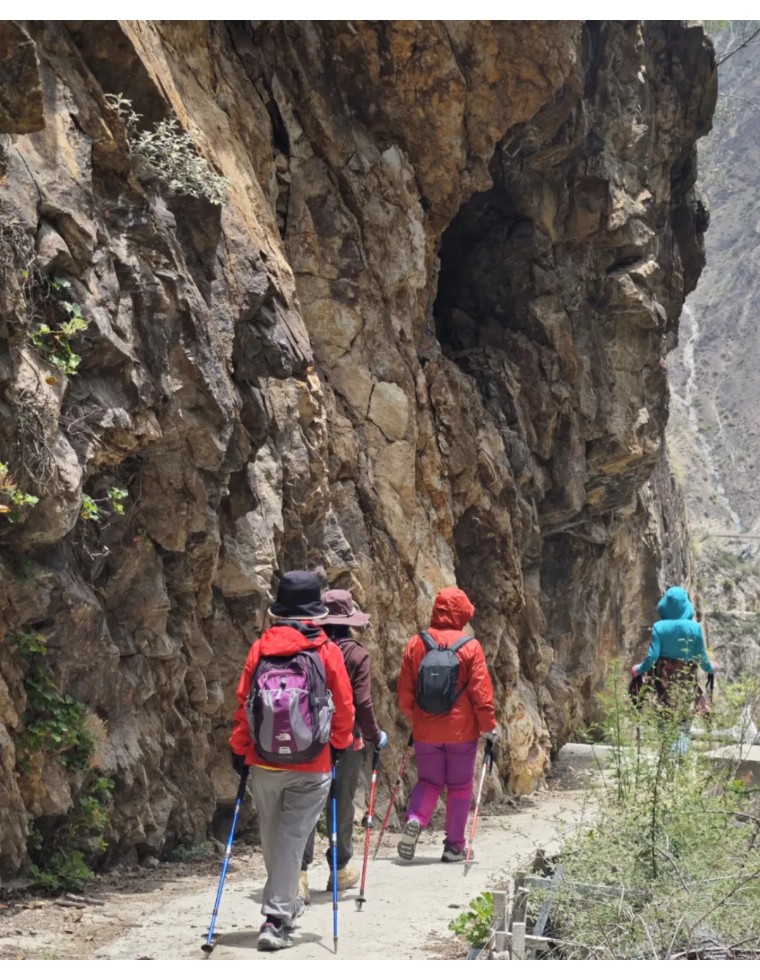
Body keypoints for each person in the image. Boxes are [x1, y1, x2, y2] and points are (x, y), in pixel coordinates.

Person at [229, 570, 355, 952]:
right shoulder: (326, 651)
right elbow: (344, 707)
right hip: (312, 763)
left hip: (264, 760)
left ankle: (283, 905)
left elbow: (244, 704)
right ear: (316, 612)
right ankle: (276, 918)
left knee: (273, 837)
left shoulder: (260, 649)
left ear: (279, 610)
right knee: (292, 836)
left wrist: (240, 749)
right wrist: (338, 746)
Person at [396, 586, 499, 863]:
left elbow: (404, 692)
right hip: (461, 732)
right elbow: (481, 693)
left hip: (426, 730)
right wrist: (489, 726)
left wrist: (417, 718)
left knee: (429, 781)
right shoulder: (470, 646)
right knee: (460, 786)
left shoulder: (416, 643)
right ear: (462, 613)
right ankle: (454, 846)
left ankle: (415, 819)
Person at [299, 589, 388, 901]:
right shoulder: (355, 654)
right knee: (341, 800)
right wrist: (375, 736)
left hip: (308, 737)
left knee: (308, 802)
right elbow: (362, 702)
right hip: (346, 738)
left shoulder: (308, 648)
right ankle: (339, 868)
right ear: (349, 620)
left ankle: (299, 874)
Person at [630, 585, 717, 753]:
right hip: (686, 683)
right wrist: (711, 667)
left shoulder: (659, 627)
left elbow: (652, 657)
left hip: (663, 683)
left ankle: (667, 757)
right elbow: (701, 657)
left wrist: (638, 669)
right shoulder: (695, 628)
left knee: (664, 719)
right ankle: (680, 758)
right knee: (683, 723)